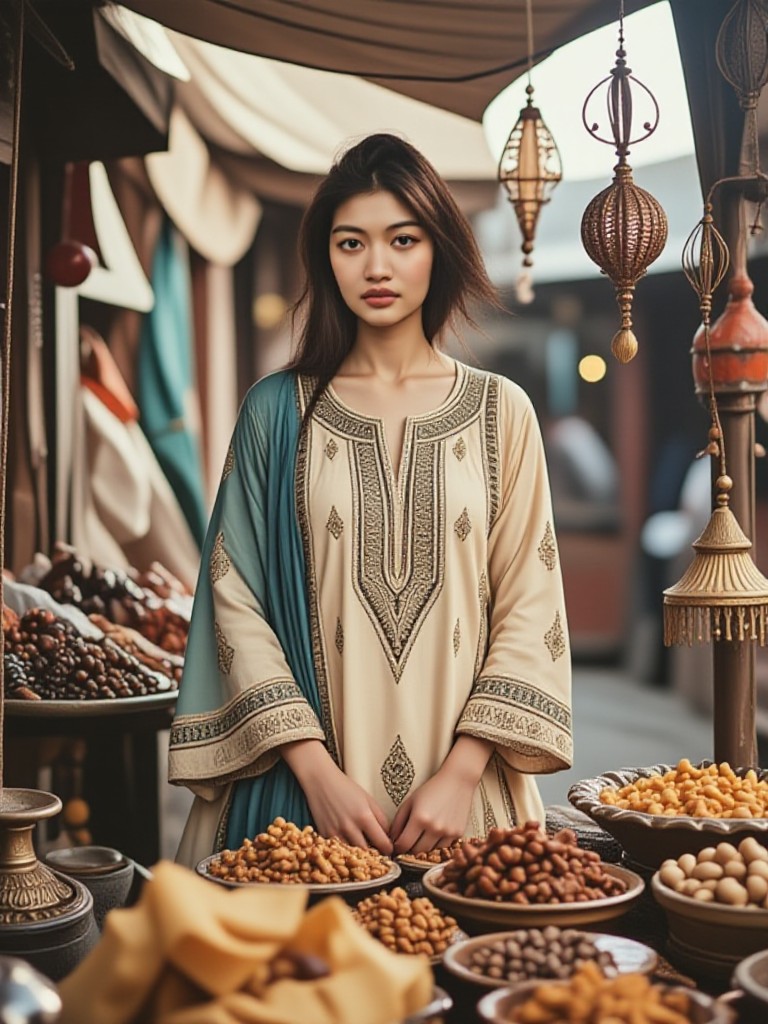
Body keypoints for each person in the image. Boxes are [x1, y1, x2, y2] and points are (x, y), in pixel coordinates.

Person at [169, 134, 572, 867]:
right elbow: (234, 597)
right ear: (326, 256)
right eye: (350, 242)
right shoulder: (273, 412)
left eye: (403, 239)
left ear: (438, 249)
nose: (376, 266)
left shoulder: (500, 411)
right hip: (299, 813)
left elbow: (529, 600)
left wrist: (462, 772)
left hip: (470, 815)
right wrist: (316, 773)